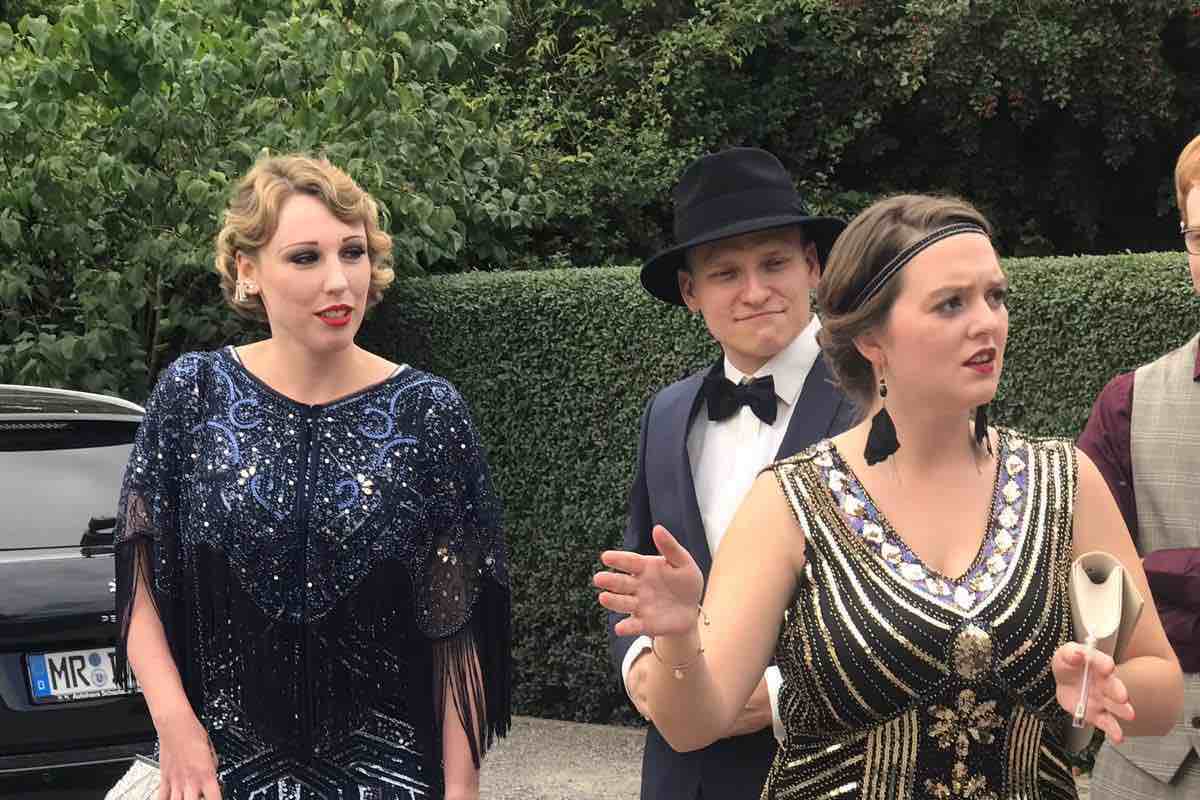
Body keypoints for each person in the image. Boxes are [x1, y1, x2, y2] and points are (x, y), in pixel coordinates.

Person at [596, 193, 1185, 799]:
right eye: (950, 303)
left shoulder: (1066, 480)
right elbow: (694, 725)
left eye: (995, 296)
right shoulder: (789, 501)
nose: (986, 322)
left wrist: (1108, 689)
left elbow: (1162, 686)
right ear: (871, 338)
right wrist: (677, 638)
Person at [112, 154, 510, 800]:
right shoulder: (193, 395)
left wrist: (462, 792)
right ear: (247, 270)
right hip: (213, 774)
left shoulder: (428, 412)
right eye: (305, 257)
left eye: (353, 253)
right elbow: (140, 580)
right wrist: (176, 726)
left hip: (389, 780)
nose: (339, 281)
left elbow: (457, 629)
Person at [606, 146, 854, 800]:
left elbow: (925, 590)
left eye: (774, 263)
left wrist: (783, 692)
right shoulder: (666, 414)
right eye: (724, 273)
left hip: (827, 767)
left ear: (812, 266)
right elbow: (638, 564)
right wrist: (639, 664)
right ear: (691, 292)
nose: (754, 291)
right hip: (681, 777)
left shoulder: (879, 401)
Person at [1077, 132, 1200, 798]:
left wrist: (1166, 577)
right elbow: (1087, 585)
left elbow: (1138, 587)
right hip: (1148, 772)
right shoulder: (1128, 404)